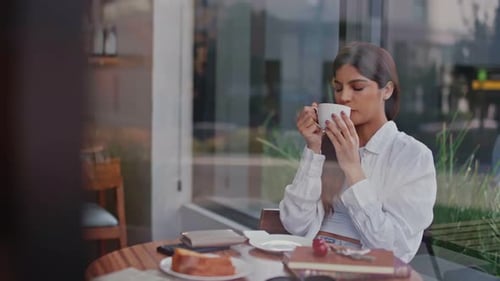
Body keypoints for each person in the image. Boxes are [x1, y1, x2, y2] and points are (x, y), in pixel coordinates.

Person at [279, 41, 437, 263]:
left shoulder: (413, 156)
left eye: (357, 87)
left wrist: (353, 170)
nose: (344, 97)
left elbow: (395, 250)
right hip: (312, 266)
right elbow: (295, 224)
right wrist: (313, 148)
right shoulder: (327, 146)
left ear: (387, 90)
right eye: (338, 87)